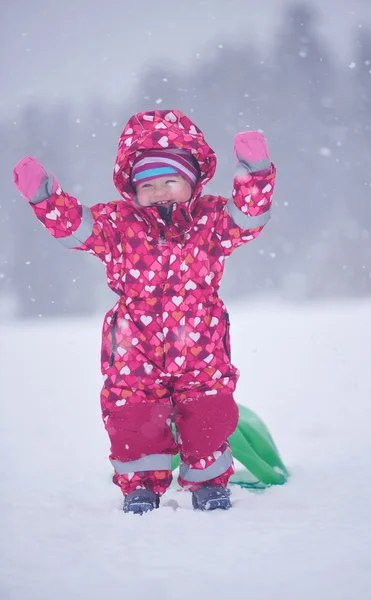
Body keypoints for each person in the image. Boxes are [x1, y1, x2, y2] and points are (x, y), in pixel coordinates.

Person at [13, 109, 276, 515]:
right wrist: (45, 197)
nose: (160, 192)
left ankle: (208, 483)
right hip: (136, 348)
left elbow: (250, 218)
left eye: (170, 181)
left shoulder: (210, 220)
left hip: (200, 346)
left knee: (208, 412)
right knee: (133, 417)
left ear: (191, 181)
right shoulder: (119, 225)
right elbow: (75, 228)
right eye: (148, 184)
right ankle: (140, 488)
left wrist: (255, 173)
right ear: (132, 189)